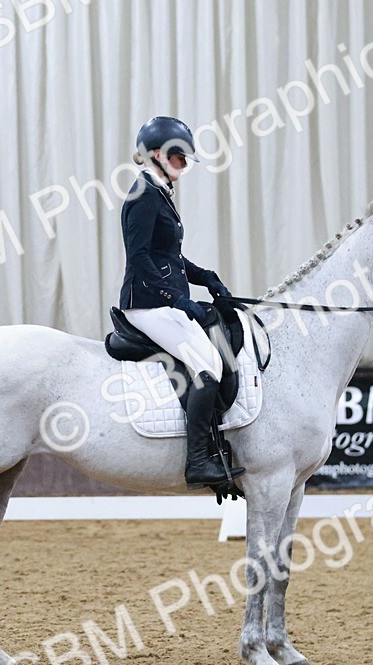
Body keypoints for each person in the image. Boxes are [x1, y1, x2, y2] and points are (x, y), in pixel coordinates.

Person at [119, 115, 245, 489]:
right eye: (178, 158)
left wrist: (204, 276)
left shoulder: (160, 192)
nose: (184, 165)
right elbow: (139, 256)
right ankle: (198, 462)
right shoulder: (142, 195)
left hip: (163, 302)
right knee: (207, 365)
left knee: (213, 356)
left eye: (186, 159)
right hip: (145, 304)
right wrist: (175, 297)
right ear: (156, 154)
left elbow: (169, 257)